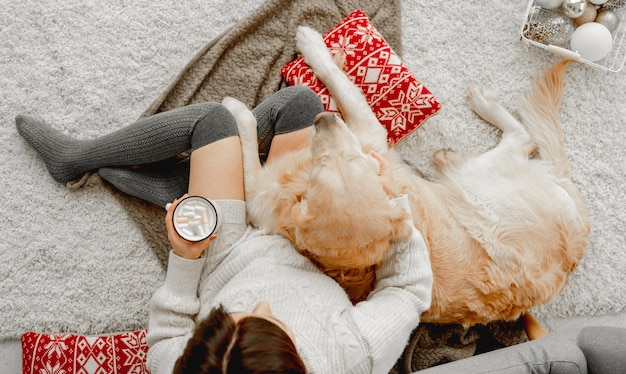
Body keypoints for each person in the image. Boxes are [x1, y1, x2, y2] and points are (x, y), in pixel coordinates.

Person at [16, 85, 434, 373]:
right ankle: (187, 178)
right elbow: (408, 290)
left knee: (214, 122)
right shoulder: (353, 352)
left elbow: (164, 340)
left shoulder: (187, 366)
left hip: (226, 251)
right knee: (301, 105)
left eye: (237, 313)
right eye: (269, 321)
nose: (264, 303)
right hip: (316, 252)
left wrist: (185, 258)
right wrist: (387, 204)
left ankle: (76, 159)